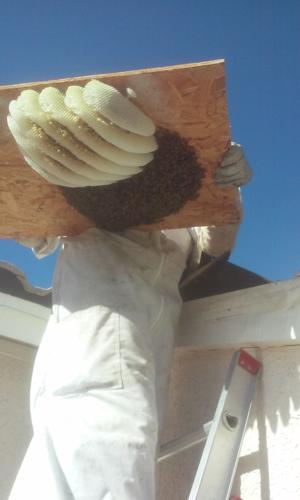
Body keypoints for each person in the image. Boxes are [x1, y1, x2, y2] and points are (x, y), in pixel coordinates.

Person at [8, 83, 252, 500]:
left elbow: (216, 243)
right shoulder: (86, 211)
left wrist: (226, 188)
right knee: (98, 471)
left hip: (118, 356)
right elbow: (33, 224)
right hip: (95, 351)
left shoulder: (181, 230)